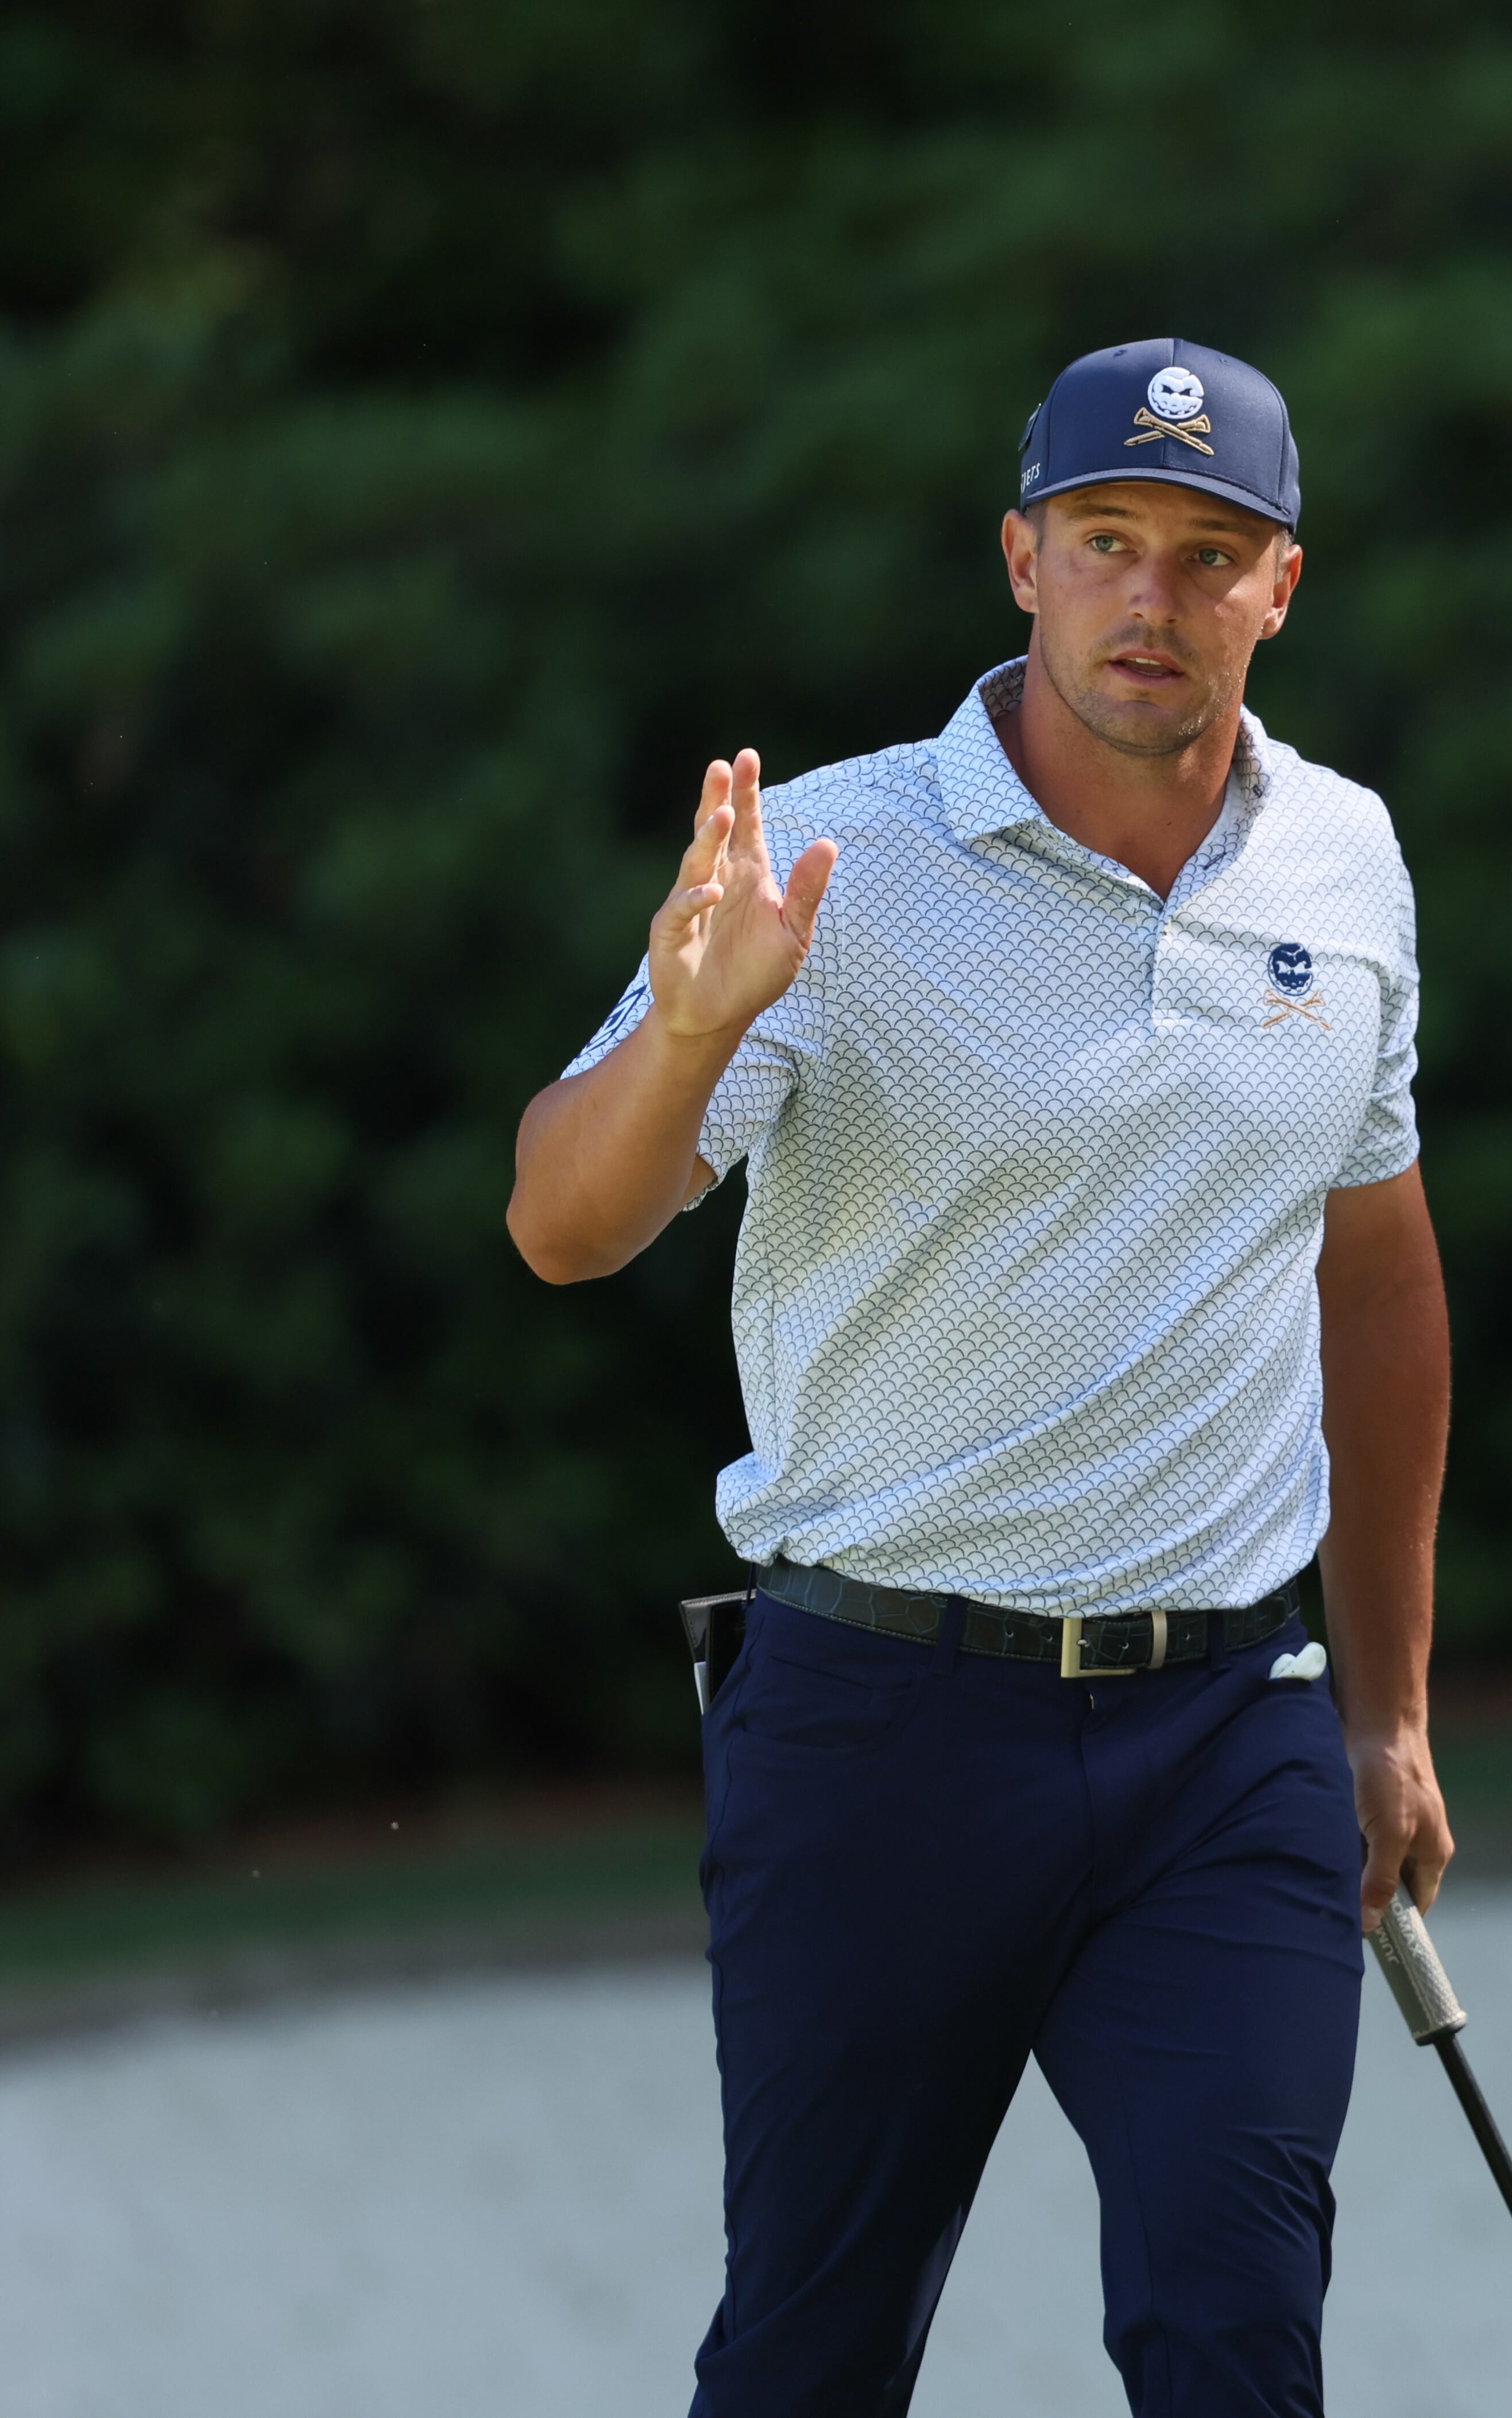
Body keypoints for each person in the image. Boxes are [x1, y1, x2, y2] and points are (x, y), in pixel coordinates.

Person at [506, 335, 1453, 2417]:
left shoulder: (1347, 863)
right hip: (882, 1724)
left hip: (1230, 1730)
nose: (1154, 596)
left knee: (1233, 2332)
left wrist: (1382, 1708)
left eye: (1211, 555)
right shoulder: (833, 868)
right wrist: (682, 1037)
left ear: (1279, 588)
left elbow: (1375, 1271)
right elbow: (563, 1224)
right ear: (1019, 561)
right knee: (815, 2359)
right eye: (1108, 541)